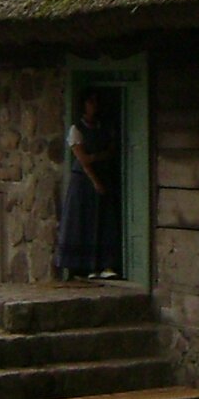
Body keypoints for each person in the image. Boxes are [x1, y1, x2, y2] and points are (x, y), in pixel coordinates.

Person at [55, 89, 120, 280]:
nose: (94, 106)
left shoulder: (102, 127)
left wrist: (97, 159)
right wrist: (95, 179)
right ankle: (81, 266)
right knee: (82, 222)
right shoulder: (76, 129)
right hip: (83, 181)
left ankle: (105, 264)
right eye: (90, 102)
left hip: (102, 175)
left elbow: (110, 151)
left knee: (103, 221)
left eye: (95, 102)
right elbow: (83, 159)